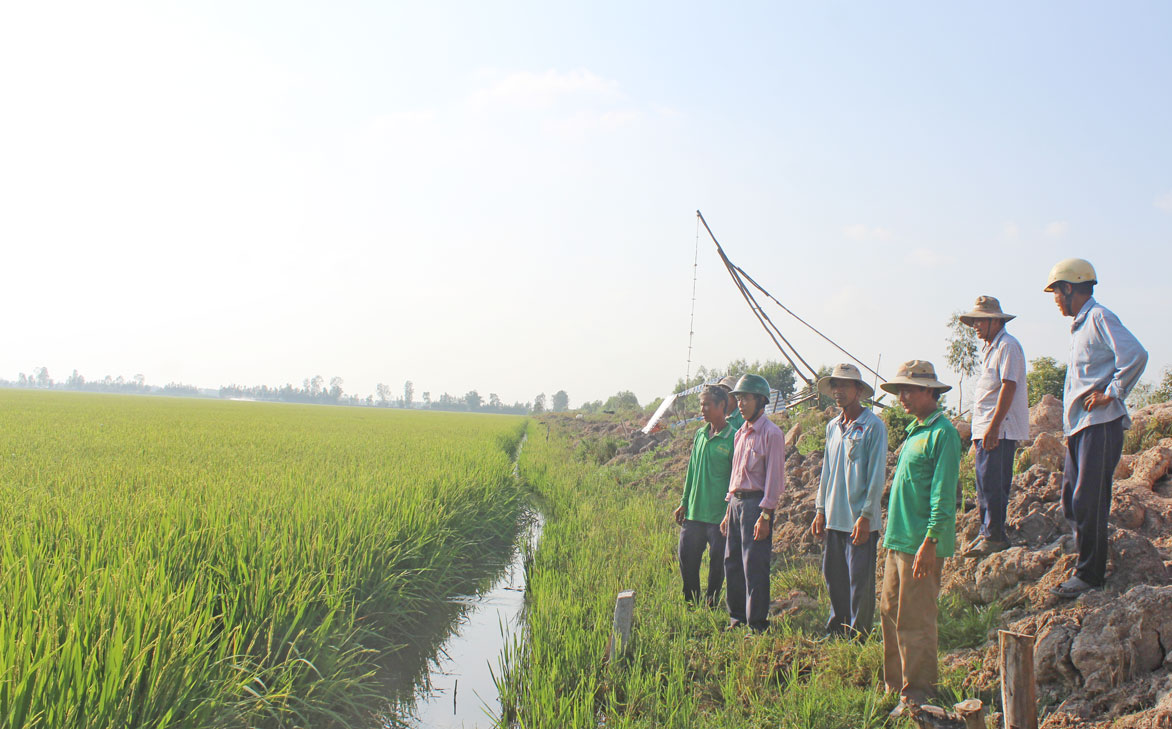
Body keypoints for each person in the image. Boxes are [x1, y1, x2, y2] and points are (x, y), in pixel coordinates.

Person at [1044, 258, 1147, 599]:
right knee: (1072, 501)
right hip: (1079, 427)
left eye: (1056, 292)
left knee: (1089, 500)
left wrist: (1111, 393)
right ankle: (1091, 557)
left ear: (1069, 288)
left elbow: (1135, 355)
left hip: (1100, 425)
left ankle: (1090, 575)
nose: (1055, 299)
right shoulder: (1077, 326)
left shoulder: (1100, 317)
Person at [878, 360, 961, 711]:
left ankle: (918, 693)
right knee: (890, 612)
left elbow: (944, 494)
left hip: (920, 544)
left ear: (931, 391)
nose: (903, 397)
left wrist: (931, 541)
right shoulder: (916, 430)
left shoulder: (943, 433)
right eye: (900, 391)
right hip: (898, 540)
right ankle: (894, 686)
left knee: (916, 620)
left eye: (910, 390)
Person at [811, 363, 888, 639]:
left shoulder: (873, 426)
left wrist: (866, 516)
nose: (839, 391)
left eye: (845, 385)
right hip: (834, 515)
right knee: (835, 576)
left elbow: (876, 474)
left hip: (859, 519)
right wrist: (820, 510)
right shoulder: (833, 427)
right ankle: (837, 628)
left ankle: (859, 634)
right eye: (835, 385)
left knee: (860, 582)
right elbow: (826, 472)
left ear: (858, 390)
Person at [959, 296, 1029, 558]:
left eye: (981, 320)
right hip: (985, 427)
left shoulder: (1008, 346)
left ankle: (995, 535)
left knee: (994, 482)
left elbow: (1008, 386)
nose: (976, 325)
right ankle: (986, 531)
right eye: (975, 320)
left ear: (996, 321)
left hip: (1000, 428)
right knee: (984, 482)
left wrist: (994, 427)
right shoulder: (991, 348)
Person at [720, 374, 785, 633]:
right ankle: (737, 618)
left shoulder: (772, 434)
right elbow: (735, 476)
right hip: (736, 504)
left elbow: (774, 480)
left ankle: (756, 623)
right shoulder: (740, 435)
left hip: (756, 506)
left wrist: (766, 515)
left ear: (761, 400)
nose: (740, 404)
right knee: (732, 562)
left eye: (745, 398)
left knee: (754, 565)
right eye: (738, 399)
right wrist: (728, 511)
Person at [674, 385, 736, 607]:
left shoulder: (733, 438)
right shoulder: (700, 435)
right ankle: (691, 602)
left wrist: (729, 513)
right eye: (702, 404)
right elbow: (691, 471)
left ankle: (711, 601)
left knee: (717, 563)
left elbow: (735, 481)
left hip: (718, 516)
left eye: (708, 404)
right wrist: (683, 502)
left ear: (722, 406)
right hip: (694, 512)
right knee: (687, 559)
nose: (703, 409)